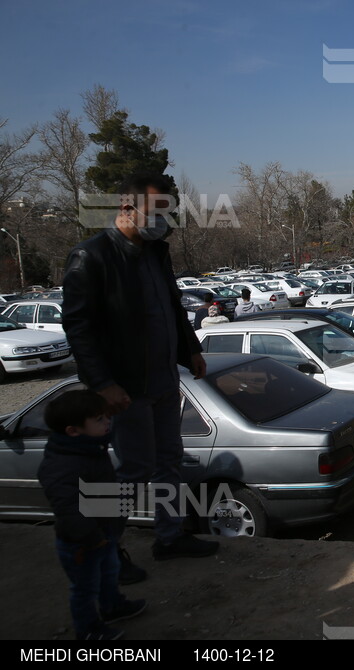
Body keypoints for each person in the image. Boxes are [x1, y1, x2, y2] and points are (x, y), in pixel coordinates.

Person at [62, 172, 218, 586]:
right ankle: (108, 551)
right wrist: (102, 383)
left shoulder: (155, 253)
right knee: (131, 472)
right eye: (156, 211)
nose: (162, 221)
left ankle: (169, 538)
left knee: (169, 463)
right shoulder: (91, 257)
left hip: (165, 380)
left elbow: (171, 307)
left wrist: (191, 350)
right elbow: (78, 328)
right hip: (125, 389)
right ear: (126, 207)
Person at [37, 390, 147, 640]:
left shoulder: (91, 448)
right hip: (81, 544)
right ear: (73, 430)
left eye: (105, 417)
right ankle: (87, 630)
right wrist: (90, 537)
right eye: (99, 419)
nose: (107, 422)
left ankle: (112, 607)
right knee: (85, 588)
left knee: (109, 574)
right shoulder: (61, 465)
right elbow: (68, 510)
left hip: (103, 534)